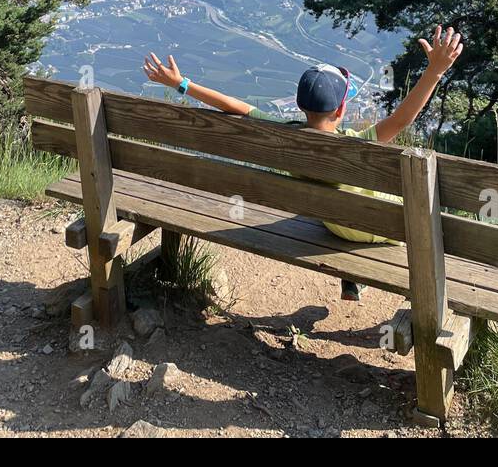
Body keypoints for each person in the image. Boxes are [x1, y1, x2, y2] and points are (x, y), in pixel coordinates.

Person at [142, 25, 465, 301]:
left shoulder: (284, 135)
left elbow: (235, 106)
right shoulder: (357, 142)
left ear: (300, 105)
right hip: (385, 230)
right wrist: (435, 71)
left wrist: (180, 84)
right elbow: (403, 118)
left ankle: (354, 270)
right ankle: (360, 273)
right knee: (402, 204)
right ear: (340, 111)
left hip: (336, 225)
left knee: (333, 201)